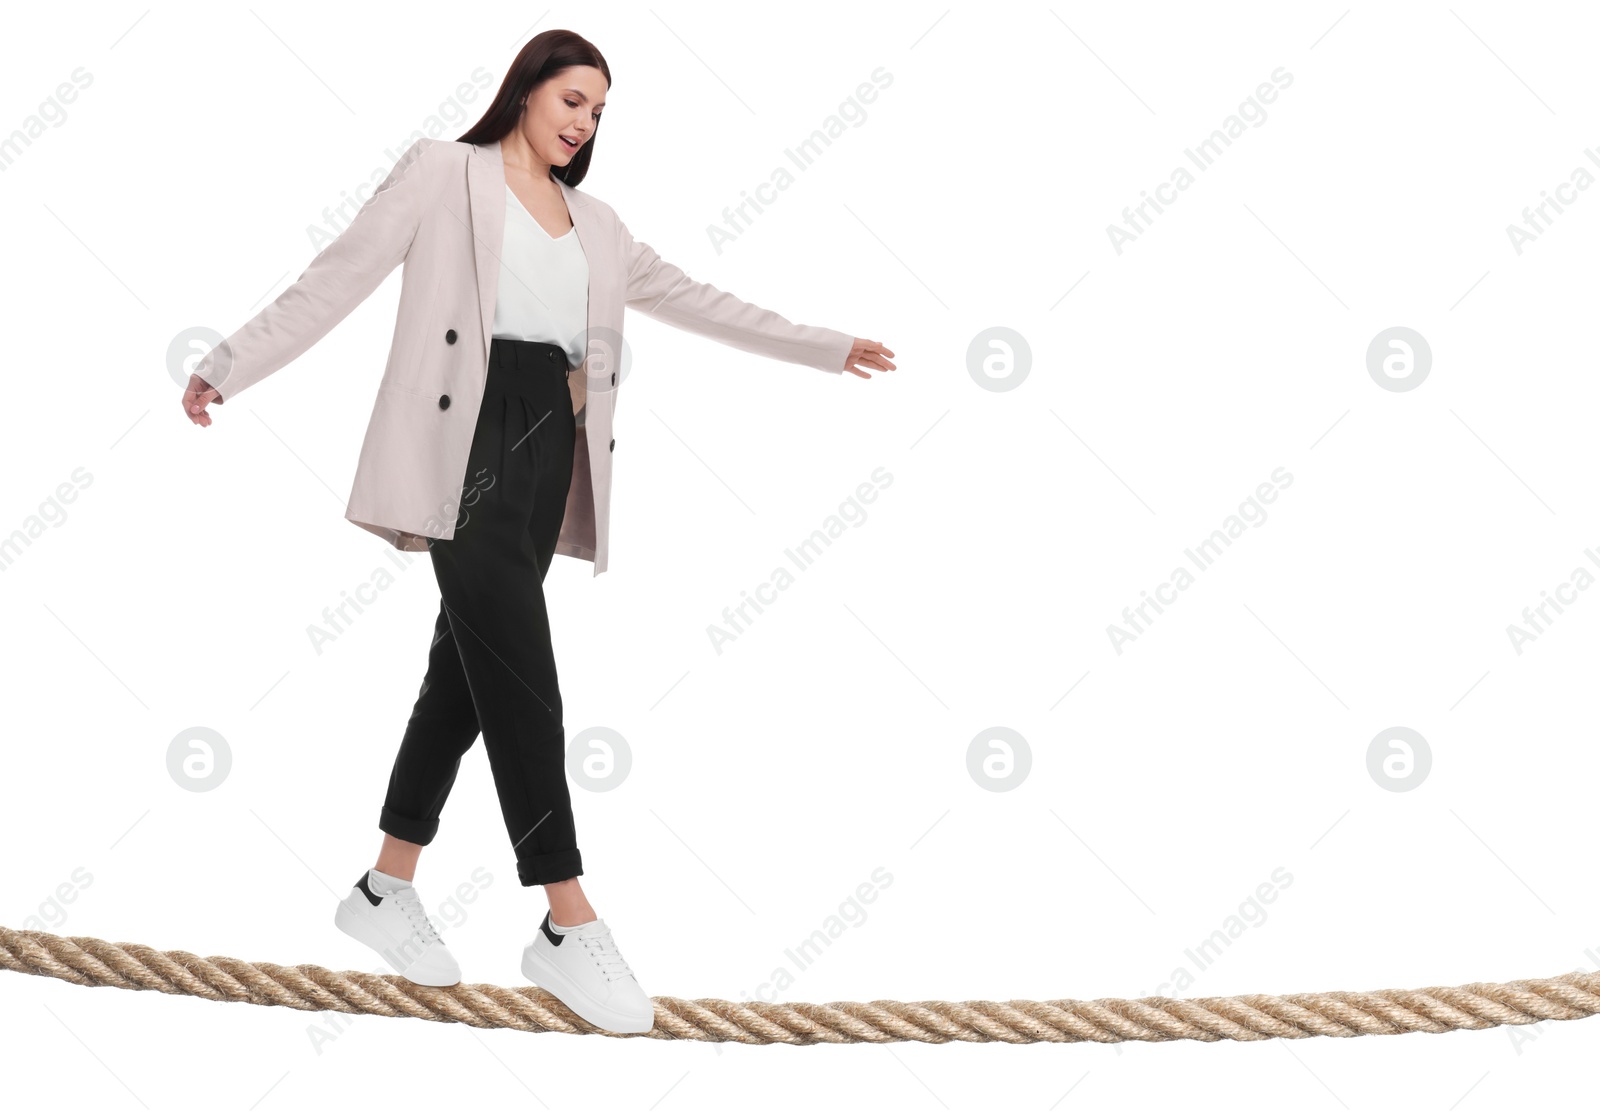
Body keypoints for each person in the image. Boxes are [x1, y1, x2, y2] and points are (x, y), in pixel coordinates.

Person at [183, 29, 894, 1036]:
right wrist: (231, 361)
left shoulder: (597, 223)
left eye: (599, 111)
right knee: (525, 676)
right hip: (462, 438)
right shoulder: (443, 174)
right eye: (571, 99)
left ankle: (384, 889)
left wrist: (827, 348)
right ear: (523, 91)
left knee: (467, 677)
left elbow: (701, 299)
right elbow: (335, 275)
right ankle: (565, 915)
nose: (583, 123)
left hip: (549, 447)